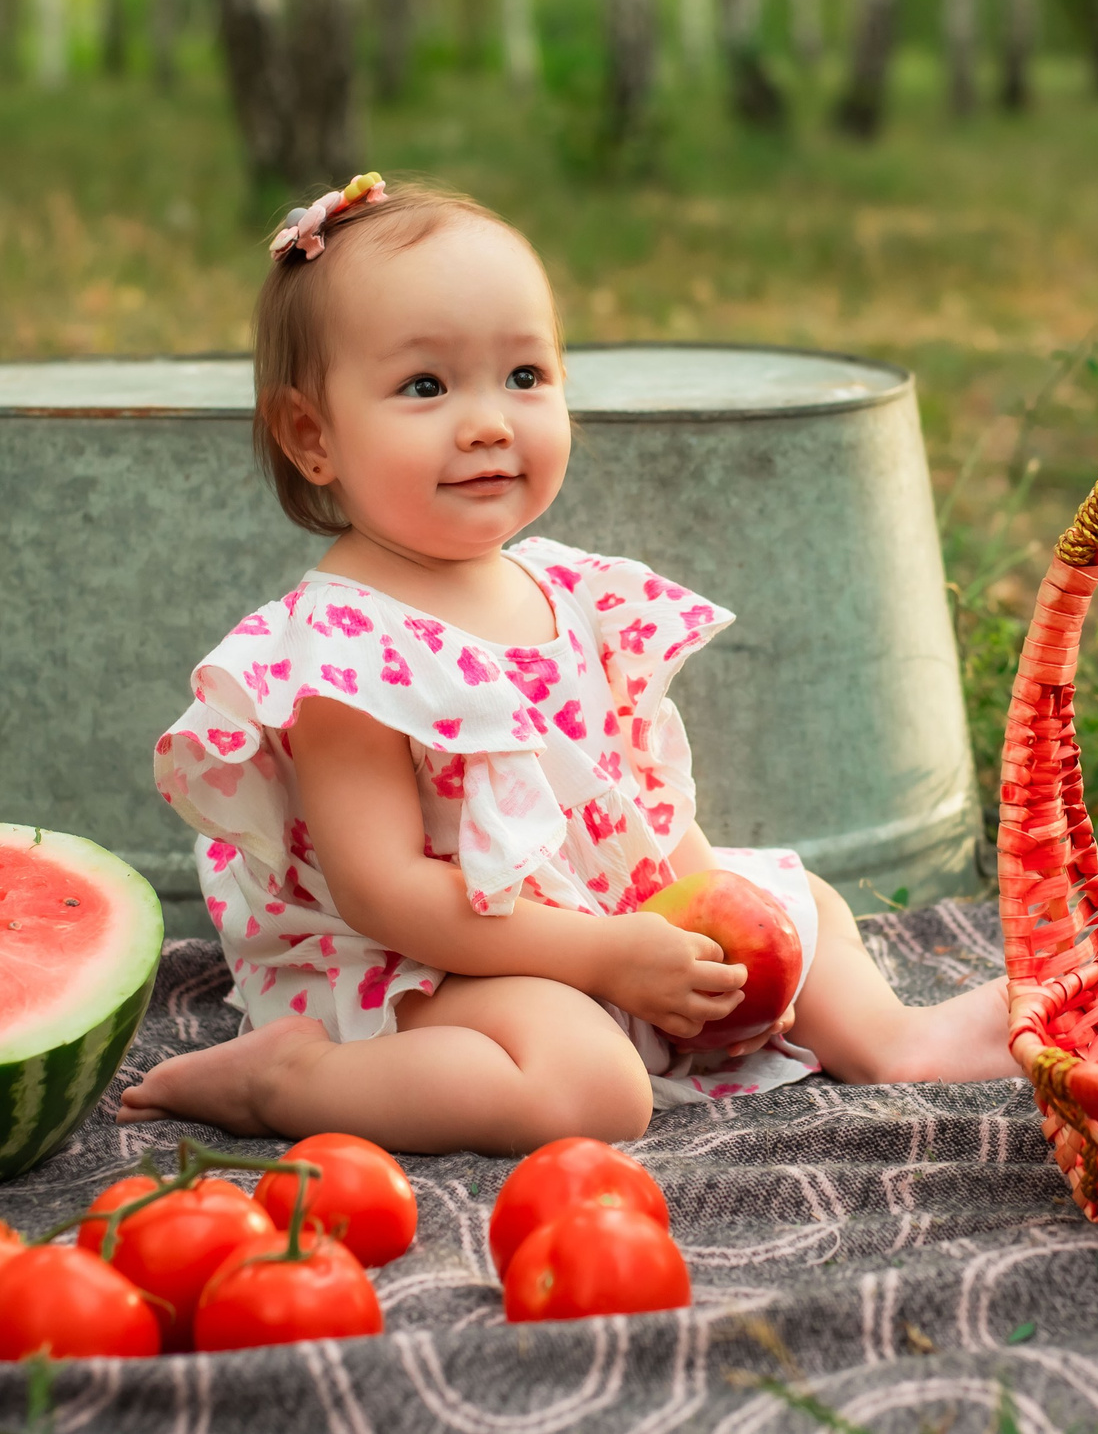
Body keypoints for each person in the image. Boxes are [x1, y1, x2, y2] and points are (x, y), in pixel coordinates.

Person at [118, 174, 1013, 1155]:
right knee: (590, 1088)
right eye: (426, 386)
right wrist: (603, 954)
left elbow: (636, 800)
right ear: (312, 435)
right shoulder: (343, 653)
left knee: (807, 906)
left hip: (598, 927)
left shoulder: (573, 595)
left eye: (524, 377)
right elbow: (386, 893)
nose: (489, 421)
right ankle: (295, 1078)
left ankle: (891, 1039)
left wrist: (700, 911)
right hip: (431, 967)